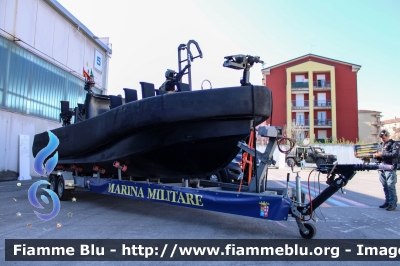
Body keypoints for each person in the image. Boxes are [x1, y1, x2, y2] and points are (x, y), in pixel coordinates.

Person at [373, 129, 399, 211]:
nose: (382, 139)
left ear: (387, 136)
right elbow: (378, 154)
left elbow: (395, 155)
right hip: (382, 167)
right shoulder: (381, 145)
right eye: (381, 137)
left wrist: (382, 154)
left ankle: (393, 203)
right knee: (385, 186)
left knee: (391, 186)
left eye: (383, 137)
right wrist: (376, 156)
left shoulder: (394, 144)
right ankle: (387, 201)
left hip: (390, 167)